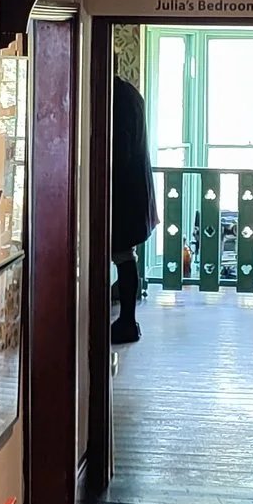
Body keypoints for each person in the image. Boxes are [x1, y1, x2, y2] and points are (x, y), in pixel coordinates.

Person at [109, 75, 157, 344]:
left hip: (124, 193)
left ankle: (127, 320)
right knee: (126, 257)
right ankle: (128, 319)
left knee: (124, 257)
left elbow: (119, 150)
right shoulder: (131, 94)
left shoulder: (117, 98)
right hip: (135, 192)